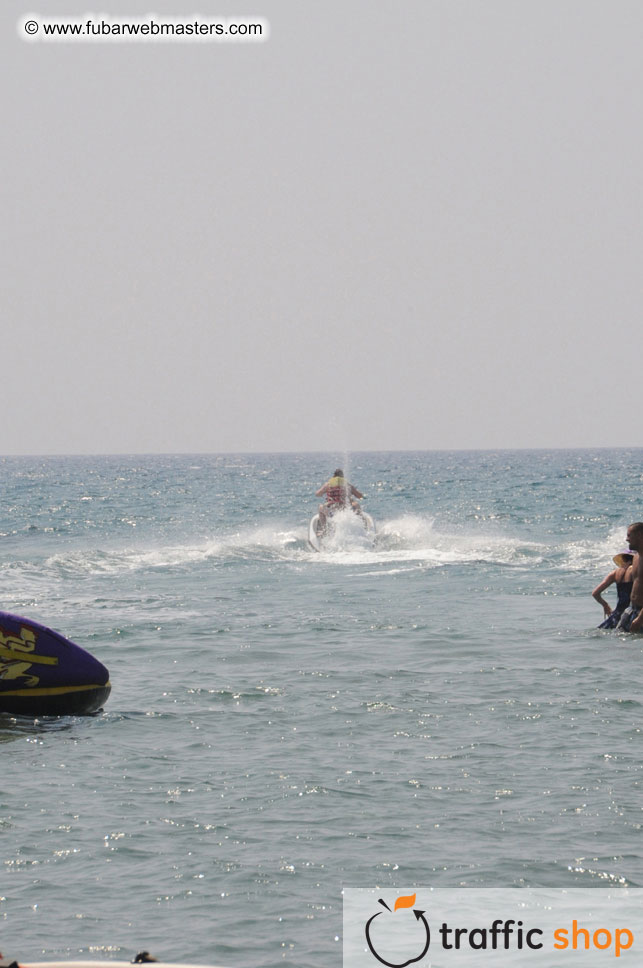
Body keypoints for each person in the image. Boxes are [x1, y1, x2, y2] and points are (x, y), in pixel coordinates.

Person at [592, 551, 633, 628]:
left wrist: (605, 605)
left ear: (623, 559)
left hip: (617, 614)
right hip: (631, 613)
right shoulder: (635, 571)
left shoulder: (615, 573)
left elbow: (595, 593)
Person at [617, 522, 643, 632]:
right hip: (632, 609)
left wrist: (640, 619)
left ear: (640, 535)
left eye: (629, 535)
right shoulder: (636, 558)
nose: (627, 539)